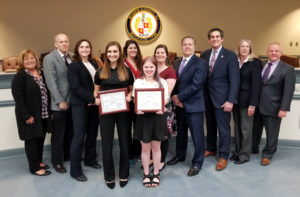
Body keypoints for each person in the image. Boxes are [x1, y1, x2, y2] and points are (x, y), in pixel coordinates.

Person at [167, 36, 208, 177]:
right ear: (181, 46)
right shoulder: (177, 62)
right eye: (185, 44)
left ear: (194, 47)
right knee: (181, 133)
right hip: (179, 105)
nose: (187, 46)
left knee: (197, 136)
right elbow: (175, 82)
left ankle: (197, 162)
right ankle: (180, 155)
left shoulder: (201, 63)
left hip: (194, 104)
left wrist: (179, 97)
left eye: (190, 44)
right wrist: (175, 99)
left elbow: (196, 84)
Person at [95, 41, 133, 189]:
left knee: (124, 143)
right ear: (106, 54)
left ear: (120, 54)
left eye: (115, 51)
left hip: (123, 112)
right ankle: (109, 176)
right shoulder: (100, 72)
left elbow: (131, 89)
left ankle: (124, 174)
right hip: (105, 113)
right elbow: (95, 90)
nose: (112, 54)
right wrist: (96, 99)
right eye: (110, 52)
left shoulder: (126, 71)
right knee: (107, 144)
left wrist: (129, 96)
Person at [200, 28, 240, 171]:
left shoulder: (230, 55)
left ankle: (223, 155)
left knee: (223, 128)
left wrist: (230, 100)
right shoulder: (204, 54)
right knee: (209, 125)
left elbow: (235, 80)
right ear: (209, 39)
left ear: (222, 39)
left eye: (217, 36)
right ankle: (211, 148)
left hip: (223, 99)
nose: (215, 39)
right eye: (212, 37)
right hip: (207, 98)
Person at [11, 49, 52, 176]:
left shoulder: (41, 73)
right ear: (22, 62)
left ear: (36, 59)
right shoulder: (20, 76)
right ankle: (34, 168)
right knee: (32, 141)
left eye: (32, 58)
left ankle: (38, 161)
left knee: (40, 138)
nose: (30, 61)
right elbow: (18, 97)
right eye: (26, 59)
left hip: (42, 114)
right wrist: (26, 115)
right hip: (30, 115)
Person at [67, 39, 101, 182]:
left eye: (87, 46)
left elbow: (98, 84)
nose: (85, 49)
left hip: (94, 105)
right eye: (82, 47)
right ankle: (75, 170)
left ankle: (90, 159)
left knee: (92, 134)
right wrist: (92, 99)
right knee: (79, 137)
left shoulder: (94, 63)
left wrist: (96, 99)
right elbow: (75, 87)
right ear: (77, 49)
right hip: (80, 105)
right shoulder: (74, 66)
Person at [133, 56, 169, 187]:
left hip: (158, 117)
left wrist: (161, 107)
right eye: (146, 67)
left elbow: (165, 99)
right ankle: (146, 174)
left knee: (156, 147)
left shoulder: (162, 82)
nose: (149, 69)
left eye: (151, 67)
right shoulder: (138, 82)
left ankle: (156, 173)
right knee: (145, 147)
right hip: (143, 118)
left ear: (156, 68)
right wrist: (137, 109)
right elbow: (136, 99)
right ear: (142, 68)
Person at [258, 42, 295, 166]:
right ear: (267, 52)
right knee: (255, 130)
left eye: (276, 51)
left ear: (281, 53)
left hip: (274, 106)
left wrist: (284, 108)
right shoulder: (260, 65)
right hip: (257, 105)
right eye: (271, 51)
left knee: (272, 133)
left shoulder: (288, 69)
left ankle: (268, 155)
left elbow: (288, 90)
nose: (273, 53)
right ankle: (253, 149)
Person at [43, 33, 73, 173]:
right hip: (59, 103)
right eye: (61, 42)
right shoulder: (49, 58)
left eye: (66, 41)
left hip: (72, 102)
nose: (64, 44)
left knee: (70, 132)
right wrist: (60, 100)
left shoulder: (72, 56)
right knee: (58, 135)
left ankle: (67, 156)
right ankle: (57, 162)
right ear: (55, 44)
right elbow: (51, 82)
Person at [230, 39, 262, 164]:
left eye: (247, 46)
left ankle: (244, 155)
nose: (244, 48)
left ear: (250, 49)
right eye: (242, 46)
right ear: (238, 48)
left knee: (246, 129)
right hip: (236, 101)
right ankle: (238, 151)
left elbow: (256, 85)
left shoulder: (255, 62)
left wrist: (253, 104)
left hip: (248, 102)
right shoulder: (235, 61)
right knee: (237, 128)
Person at [154, 44, 177, 171]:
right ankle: (153, 158)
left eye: (162, 53)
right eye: (157, 53)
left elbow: (167, 92)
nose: (160, 55)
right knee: (153, 133)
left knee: (163, 133)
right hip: (150, 107)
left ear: (166, 55)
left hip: (164, 106)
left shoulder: (170, 71)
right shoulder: (150, 68)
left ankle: (161, 160)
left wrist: (159, 105)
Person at [123, 40, 143, 164]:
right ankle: (129, 154)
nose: (133, 50)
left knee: (139, 128)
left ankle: (138, 151)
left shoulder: (141, 63)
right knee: (126, 128)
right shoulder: (122, 64)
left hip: (140, 101)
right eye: (130, 48)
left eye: (135, 48)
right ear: (126, 50)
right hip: (127, 100)